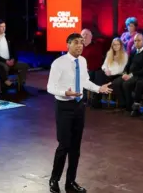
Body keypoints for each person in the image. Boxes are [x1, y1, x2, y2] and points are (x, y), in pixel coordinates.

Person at [47, 33, 112, 193]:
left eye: (82, 43)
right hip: (64, 106)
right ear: (67, 44)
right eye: (76, 42)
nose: (80, 46)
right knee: (64, 145)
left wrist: (98, 88)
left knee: (75, 147)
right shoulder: (58, 63)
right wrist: (65, 93)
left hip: (79, 107)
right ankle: (54, 180)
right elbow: (50, 87)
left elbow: (84, 81)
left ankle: (71, 182)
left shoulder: (82, 61)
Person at [111, 33, 143, 111]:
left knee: (126, 84)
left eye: (138, 40)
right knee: (115, 83)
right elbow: (128, 64)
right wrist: (125, 73)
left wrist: (131, 75)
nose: (136, 42)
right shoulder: (133, 51)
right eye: (135, 41)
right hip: (129, 74)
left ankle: (129, 106)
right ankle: (123, 104)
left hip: (139, 75)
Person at [0, 19, 29, 88]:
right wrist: (5, 61)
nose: (4, 28)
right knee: (4, 67)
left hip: (10, 60)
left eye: (4, 26)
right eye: (1, 26)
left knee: (24, 65)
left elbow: (14, 51)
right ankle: (5, 85)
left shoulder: (8, 37)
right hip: (0, 61)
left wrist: (13, 59)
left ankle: (21, 84)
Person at [92, 38, 128, 108]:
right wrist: (106, 70)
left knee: (102, 78)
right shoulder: (109, 53)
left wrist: (111, 72)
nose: (116, 46)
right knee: (98, 74)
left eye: (118, 44)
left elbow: (121, 69)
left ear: (121, 45)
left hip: (117, 75)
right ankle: (96, 101)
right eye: (114, 45)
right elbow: (104, 65)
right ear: (112, 46)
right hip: (108, 74)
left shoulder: (124, 55)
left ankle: (122, 104)